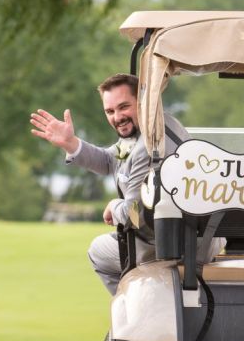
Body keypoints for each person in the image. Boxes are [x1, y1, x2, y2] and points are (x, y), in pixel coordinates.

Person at [30, 73, 220, 295]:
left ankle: (140, 313)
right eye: (110, 111)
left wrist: (114, 205)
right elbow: (111, 159)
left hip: (177, 245)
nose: (117, 117)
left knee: (98, 251)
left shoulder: (148, 145)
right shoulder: (156, 125)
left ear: (141, 102)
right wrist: (71, 144)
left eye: (123, 107)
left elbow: (134, 214)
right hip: (192, 235)